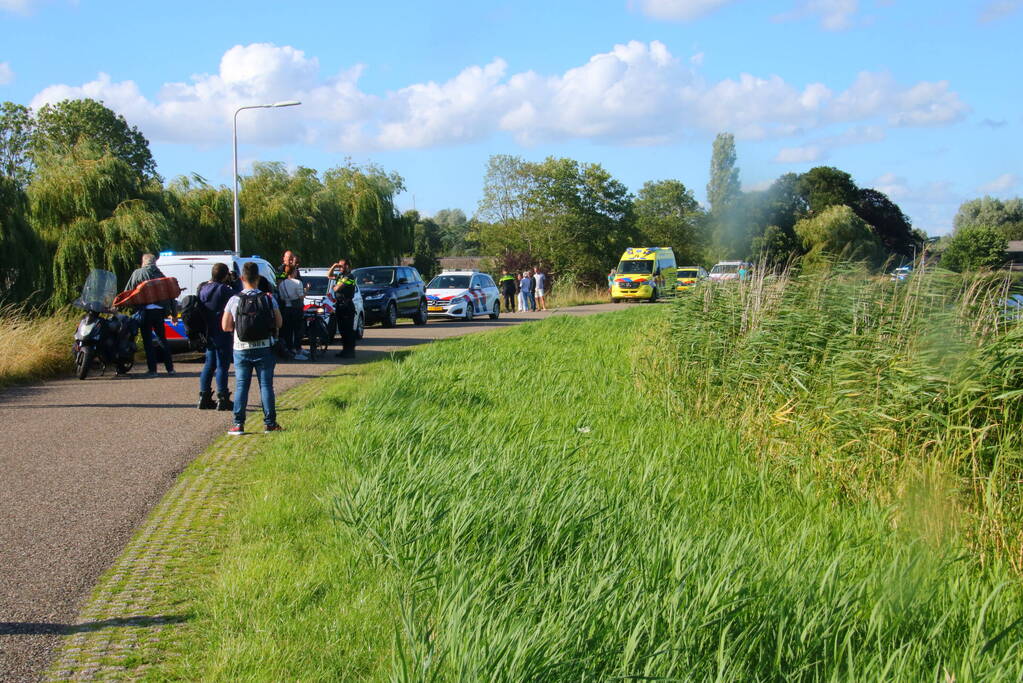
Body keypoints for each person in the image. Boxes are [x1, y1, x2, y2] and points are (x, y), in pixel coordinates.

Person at [222, 261, 284, 435]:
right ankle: (270, 423)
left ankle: (238, 424)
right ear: (258, 278)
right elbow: (279, 322)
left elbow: (225, 326)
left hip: (241, 348)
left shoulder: (234, 300)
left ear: (242, 278)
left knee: (241, 386)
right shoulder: (268, 298)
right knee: (266, 386)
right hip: (264, 347)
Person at [125, 253, 176, 378]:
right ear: (154, 262)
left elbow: (128, 291)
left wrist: (128, 306)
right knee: (162, 339)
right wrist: (173, 313)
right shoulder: (161, 275)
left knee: (148, 341)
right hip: (159, 312)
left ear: (144, 262)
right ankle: (170, 368)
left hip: (145, 311)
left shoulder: (138, 273)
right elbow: (170, 295)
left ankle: (152, 370)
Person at [197, 263, 235, 410]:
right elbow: (237, 298)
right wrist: (234, 282)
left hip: (208, 332)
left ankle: (204, 397)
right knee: (222, 366)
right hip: (222, 331)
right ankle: (223, 398)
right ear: (225, 276)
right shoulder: (224, 290)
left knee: (209, 365)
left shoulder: (202, 288)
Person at [277, 264, 307, 360]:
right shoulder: (298, 282)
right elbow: (301, 296)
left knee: (288, 331)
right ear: (294, 272)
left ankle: (290, 350)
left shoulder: (282, 284)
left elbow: (282, 297)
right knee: (298, 330)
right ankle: (298, 349)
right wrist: (306, 291)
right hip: (297, 309)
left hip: (287, 308)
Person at [329, 259, 358, 359]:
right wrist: (333, 266)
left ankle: (350, 352)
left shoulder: (349, 277)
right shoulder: (340, 276)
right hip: (340, 305)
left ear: (347, 266)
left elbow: (337, 288)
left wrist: (334, 287)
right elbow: (328, 275)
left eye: (341, 266)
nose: (340, 268)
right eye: (339, 266)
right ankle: (345, 351)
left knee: (347, 330)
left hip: (347, 305)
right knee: (342, 330)